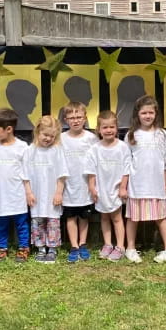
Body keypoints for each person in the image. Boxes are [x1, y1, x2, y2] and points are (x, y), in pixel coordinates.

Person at [125, 95, 166, 263]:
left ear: (156, 114)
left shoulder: (162, 135)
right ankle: (130, 248)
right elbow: (126, 161)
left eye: (150, 113)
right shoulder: (131, 135)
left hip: (157, 184)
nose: (147, 116)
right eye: (144, 112)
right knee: (133, 218)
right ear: (137, 114)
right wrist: (124, 186)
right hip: (137, 184)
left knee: (161, 217)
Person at [85, 111, 130, 262]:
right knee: (104, 217)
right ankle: (108, 244)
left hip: (115, 189)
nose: (109, 130)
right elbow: (91, 170)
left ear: (117, 128)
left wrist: (123, 187)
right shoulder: (95, 149)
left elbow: (126, 169)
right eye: (105, 127)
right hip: (101, 189)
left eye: (112, 127)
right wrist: (92, 187)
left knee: (117, 218)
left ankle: (120, 246)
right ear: (99, 129)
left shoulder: (122, 147)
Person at [0, 108, 30, 263]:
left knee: (22, 224)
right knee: (1, 224)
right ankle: (2, 247)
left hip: (17, 194)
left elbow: (26, 173)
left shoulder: (23, 147)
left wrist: (28, 193)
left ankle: (24, 247)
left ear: (9, 129)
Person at [22, 116, 68, 264]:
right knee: (38, 221)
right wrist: (29, 193)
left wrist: (59, 193)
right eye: (45, 135)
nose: (48, 139)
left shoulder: (57, 150)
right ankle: (41, 248)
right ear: (37, 132)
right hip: (36, 195)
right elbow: (25, 175)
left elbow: (62, 174)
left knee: (53, 222)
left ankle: (52, 249)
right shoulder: (30, 151)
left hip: (52, 194)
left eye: (52, 136)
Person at [60, 102, 99, 262]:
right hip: (68, 185)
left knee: (84, 217)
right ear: (66, 120)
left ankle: (83, 244)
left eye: (79, 117)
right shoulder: (61, 138)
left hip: (85, 185)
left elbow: (98, 159)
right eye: (71, 118)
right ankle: (74, 246)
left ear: (85, 119)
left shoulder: (91, 138)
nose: (75, 121)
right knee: (70, 217)